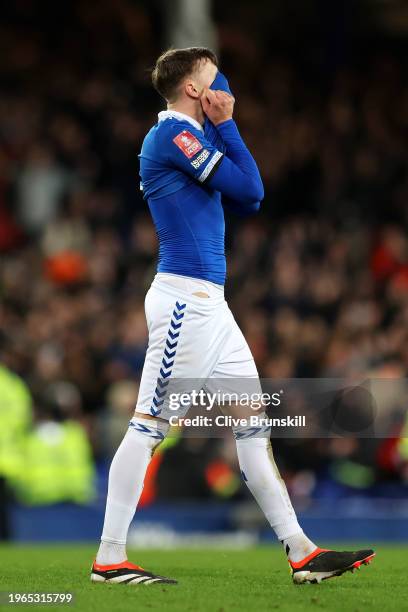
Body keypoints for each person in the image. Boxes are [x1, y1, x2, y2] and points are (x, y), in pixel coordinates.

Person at [91, 47, 374, 586]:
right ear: (193, 89)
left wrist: (222, 128)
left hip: (211, 306)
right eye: (211, 75)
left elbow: (250, 199)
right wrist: (228, 124)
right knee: (149, 424)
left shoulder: (190, 136)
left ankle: (301, 550)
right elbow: (249, 187)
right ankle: (109, 558)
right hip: (183, 302)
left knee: (252, 423)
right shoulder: (172, 134)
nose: (222, 81)